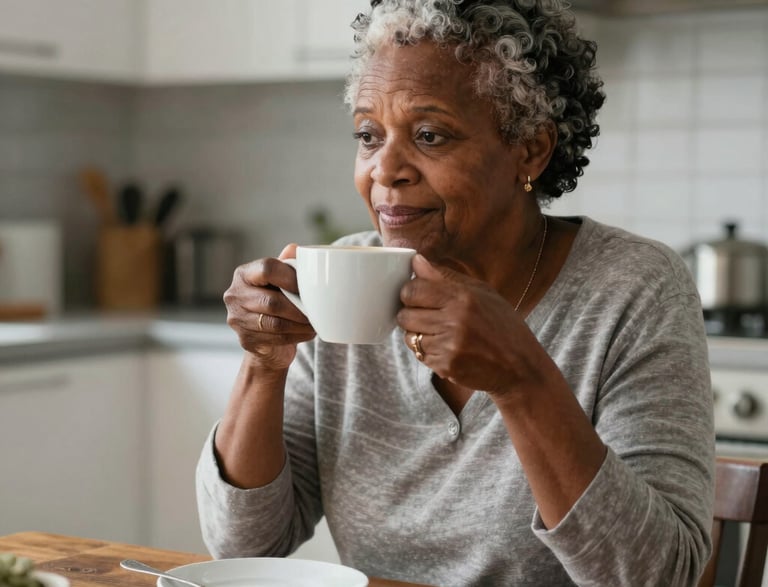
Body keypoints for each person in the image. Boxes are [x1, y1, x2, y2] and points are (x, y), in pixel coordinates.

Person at [196, 1, 715, 585]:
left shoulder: (633, 289)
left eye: (429, 135)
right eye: (369, 135)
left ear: (531, 150)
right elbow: (244, 544)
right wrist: (264, 366)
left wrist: (521, 380)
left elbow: (661, 574)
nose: (385, 169)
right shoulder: (341, 277)